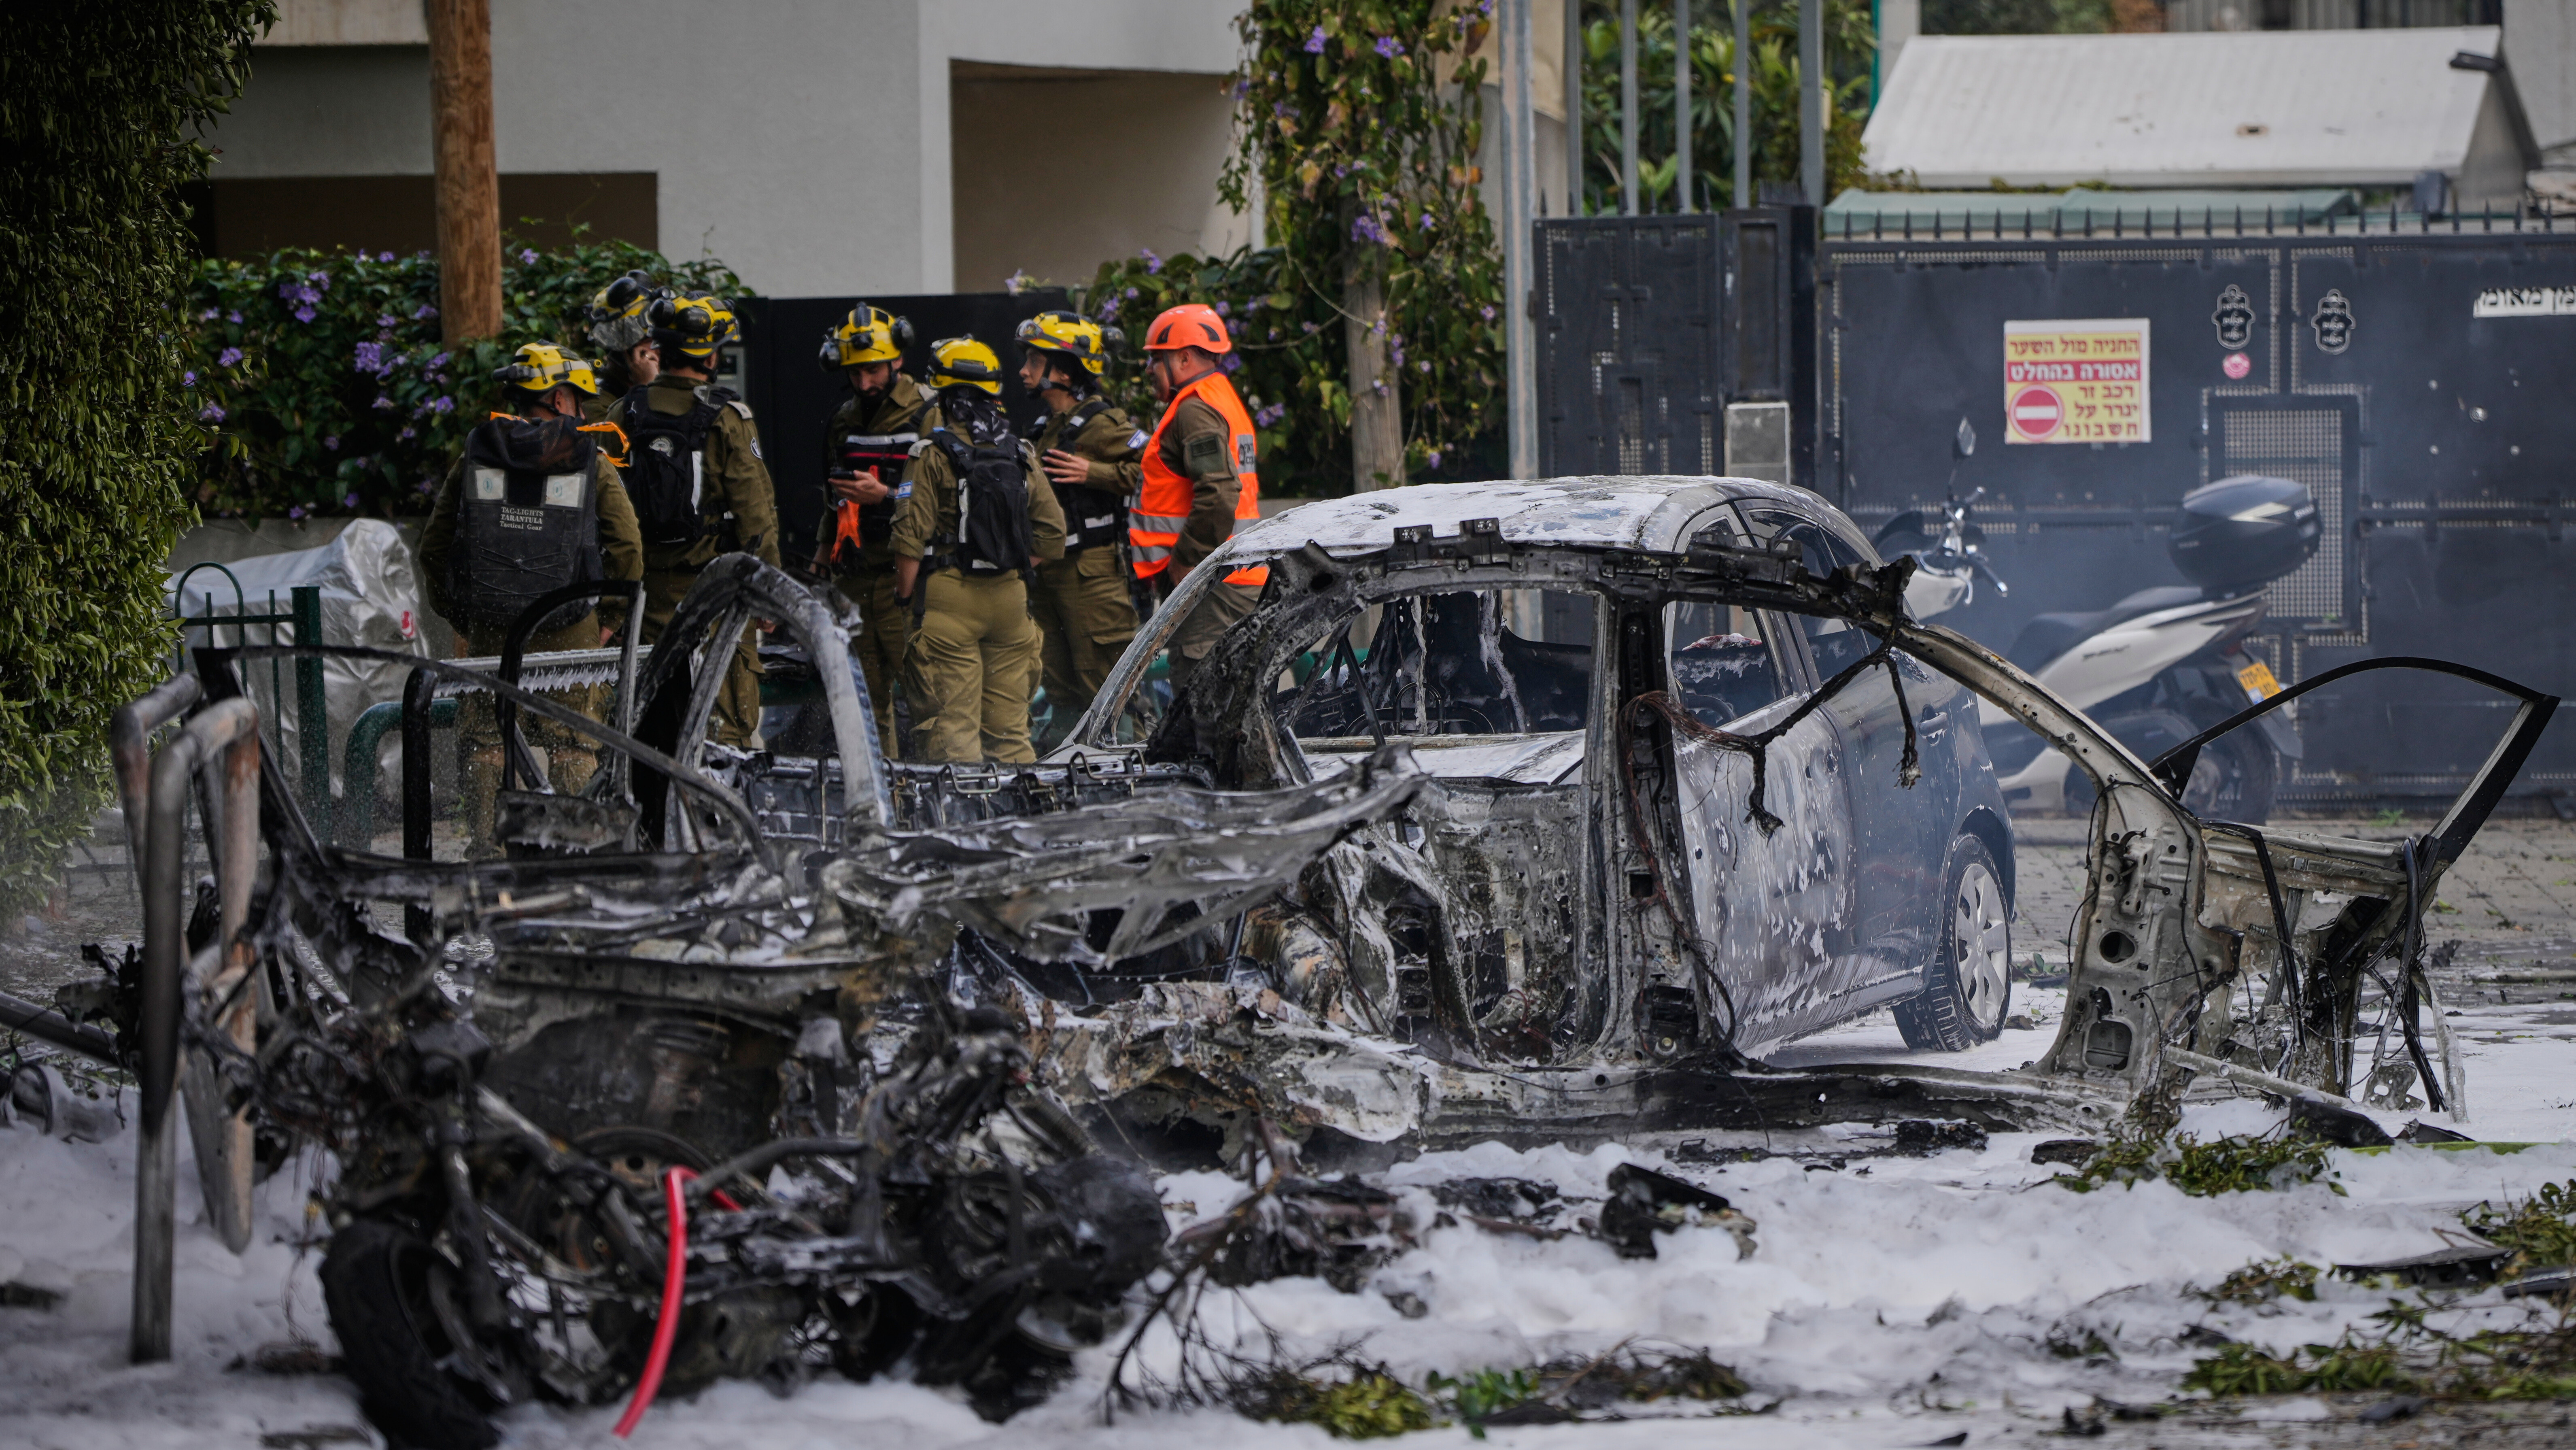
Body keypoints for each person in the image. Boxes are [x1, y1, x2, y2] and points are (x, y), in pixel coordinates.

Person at [416, 342, 645, 859]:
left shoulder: (476, 456)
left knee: (487, 745)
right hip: (572, 630)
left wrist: (466, 615)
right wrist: (608, 619)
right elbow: (628, 549)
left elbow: (433, 547)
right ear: (560, 399)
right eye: (578, 399)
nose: (581, 410)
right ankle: (574, 860)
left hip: (492, 633)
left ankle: (490, 858)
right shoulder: (590, 460)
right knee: (573, 745)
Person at [604, 293, 779, 747]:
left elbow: (604, 512)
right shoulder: (728, 419)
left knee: (649, 730)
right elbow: (756, 517)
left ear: (659, 350)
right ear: (711, 356)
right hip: (716, 598)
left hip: (644, 600)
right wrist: (768, 595)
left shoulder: (625, 412)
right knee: (723, 733)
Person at [888, 337, 1064, 763]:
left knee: (952, 736)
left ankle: (963, 808)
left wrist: (905, 598)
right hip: (1010, 601)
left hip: (949, 600)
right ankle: (1022, 805)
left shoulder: (930, 454)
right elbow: (1053, 534)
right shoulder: (1020, 452)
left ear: (942, 394)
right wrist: (1010, 562)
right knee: (1010, 735)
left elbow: (910, 540)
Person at [1015, 310, 1140, 748]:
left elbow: (1152, 472)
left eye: (1035, 361)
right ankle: (1072, 766)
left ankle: (1132, 766)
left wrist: (1095, 473)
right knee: (1061, 682)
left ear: (1065, 372)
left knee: (1107, 685)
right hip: (1049, 573)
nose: (1024, 371)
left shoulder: (1104, 423)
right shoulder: (1045, 427)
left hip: (1093, 576)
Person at [1130, 303, 1267, 686]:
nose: (1149, 369)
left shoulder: (1195, 410)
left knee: (1201, 704)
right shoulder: (1220, 397)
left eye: (1155, 359)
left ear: (1184, 358)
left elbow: (1219, 492)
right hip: (1232, 577)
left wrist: (1186, 561)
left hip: (1212, 587)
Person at [813, 304, 924, 755]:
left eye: (873, 371)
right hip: (855, 576)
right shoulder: (844, 420)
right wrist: (821, 558)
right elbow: (834, 501)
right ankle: (883, 791)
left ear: (898, 360)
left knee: (927, 699)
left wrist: (885, 496)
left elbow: (946, 502)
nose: (864, 384)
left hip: (909, 579)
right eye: (855, 373)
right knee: (863, 703)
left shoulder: (929, 412)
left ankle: (935, 789)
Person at [580, 270, 664, 421]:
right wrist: (646, 391)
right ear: (624, 351)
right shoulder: (596, 404)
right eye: (651, 343)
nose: (660, 351)